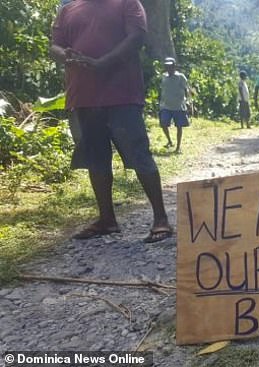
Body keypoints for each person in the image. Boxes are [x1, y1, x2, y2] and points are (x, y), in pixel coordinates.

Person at [50, 0, 172, 243]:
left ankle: (160, 219)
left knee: (139, 154)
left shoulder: (128, 3)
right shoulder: (67, 9)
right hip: (83, 96)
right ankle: (107, 219)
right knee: (96, 157)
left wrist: (104, 62)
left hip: (122, 94)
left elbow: (137, 37)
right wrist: (66, 56)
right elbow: (54, 46)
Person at [159, 57, 190, 153]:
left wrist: (188, 102)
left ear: (174, 66)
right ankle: (169, 141)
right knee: (163, 124)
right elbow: (162, 89)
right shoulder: (164, 76)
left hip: (178, 105)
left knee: (179, 126)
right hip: (165, 105)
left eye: (170, 66)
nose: (169, 68)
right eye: (167, 66)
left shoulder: (180, 77)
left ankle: (178, 146)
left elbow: (187, 89)